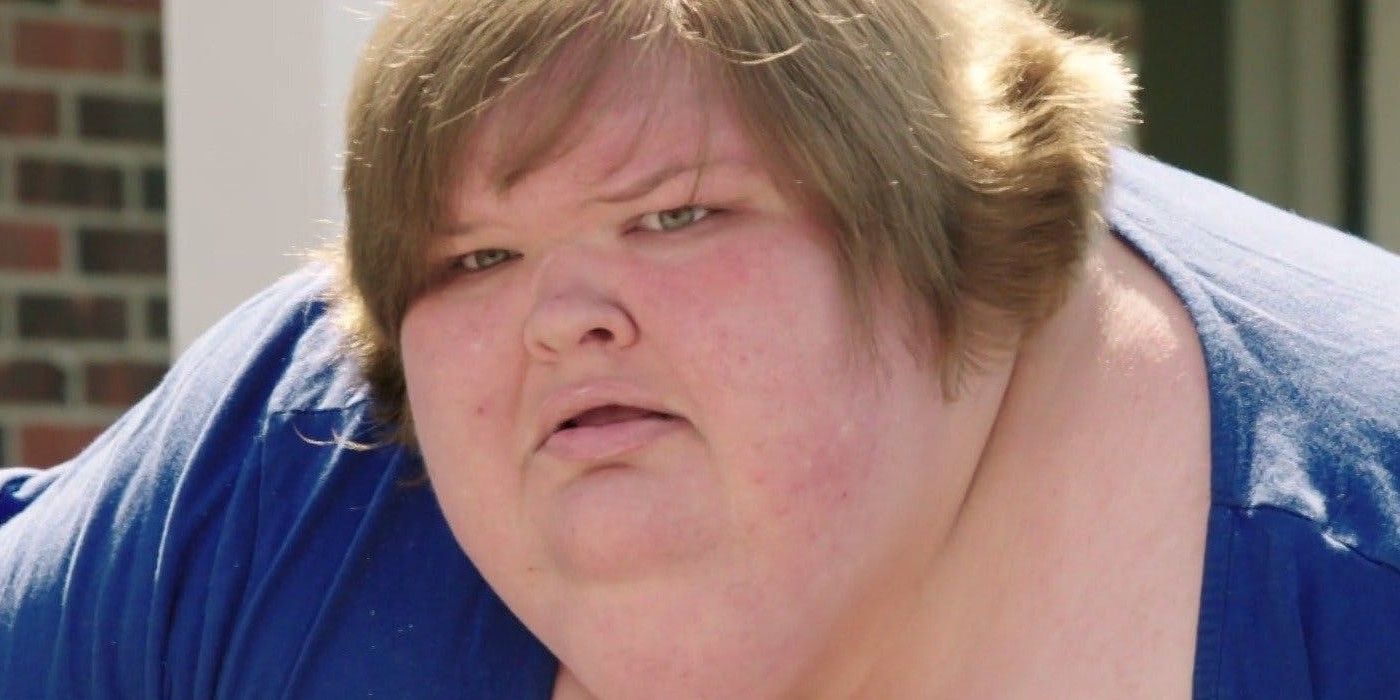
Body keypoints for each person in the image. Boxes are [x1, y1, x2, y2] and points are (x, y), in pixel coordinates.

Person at [2, 0, 1398, 697]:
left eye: (676, 214)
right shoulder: (281, 482)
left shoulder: (1354, 565)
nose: (560, 314)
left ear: (971, 237)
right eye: (475, 257)